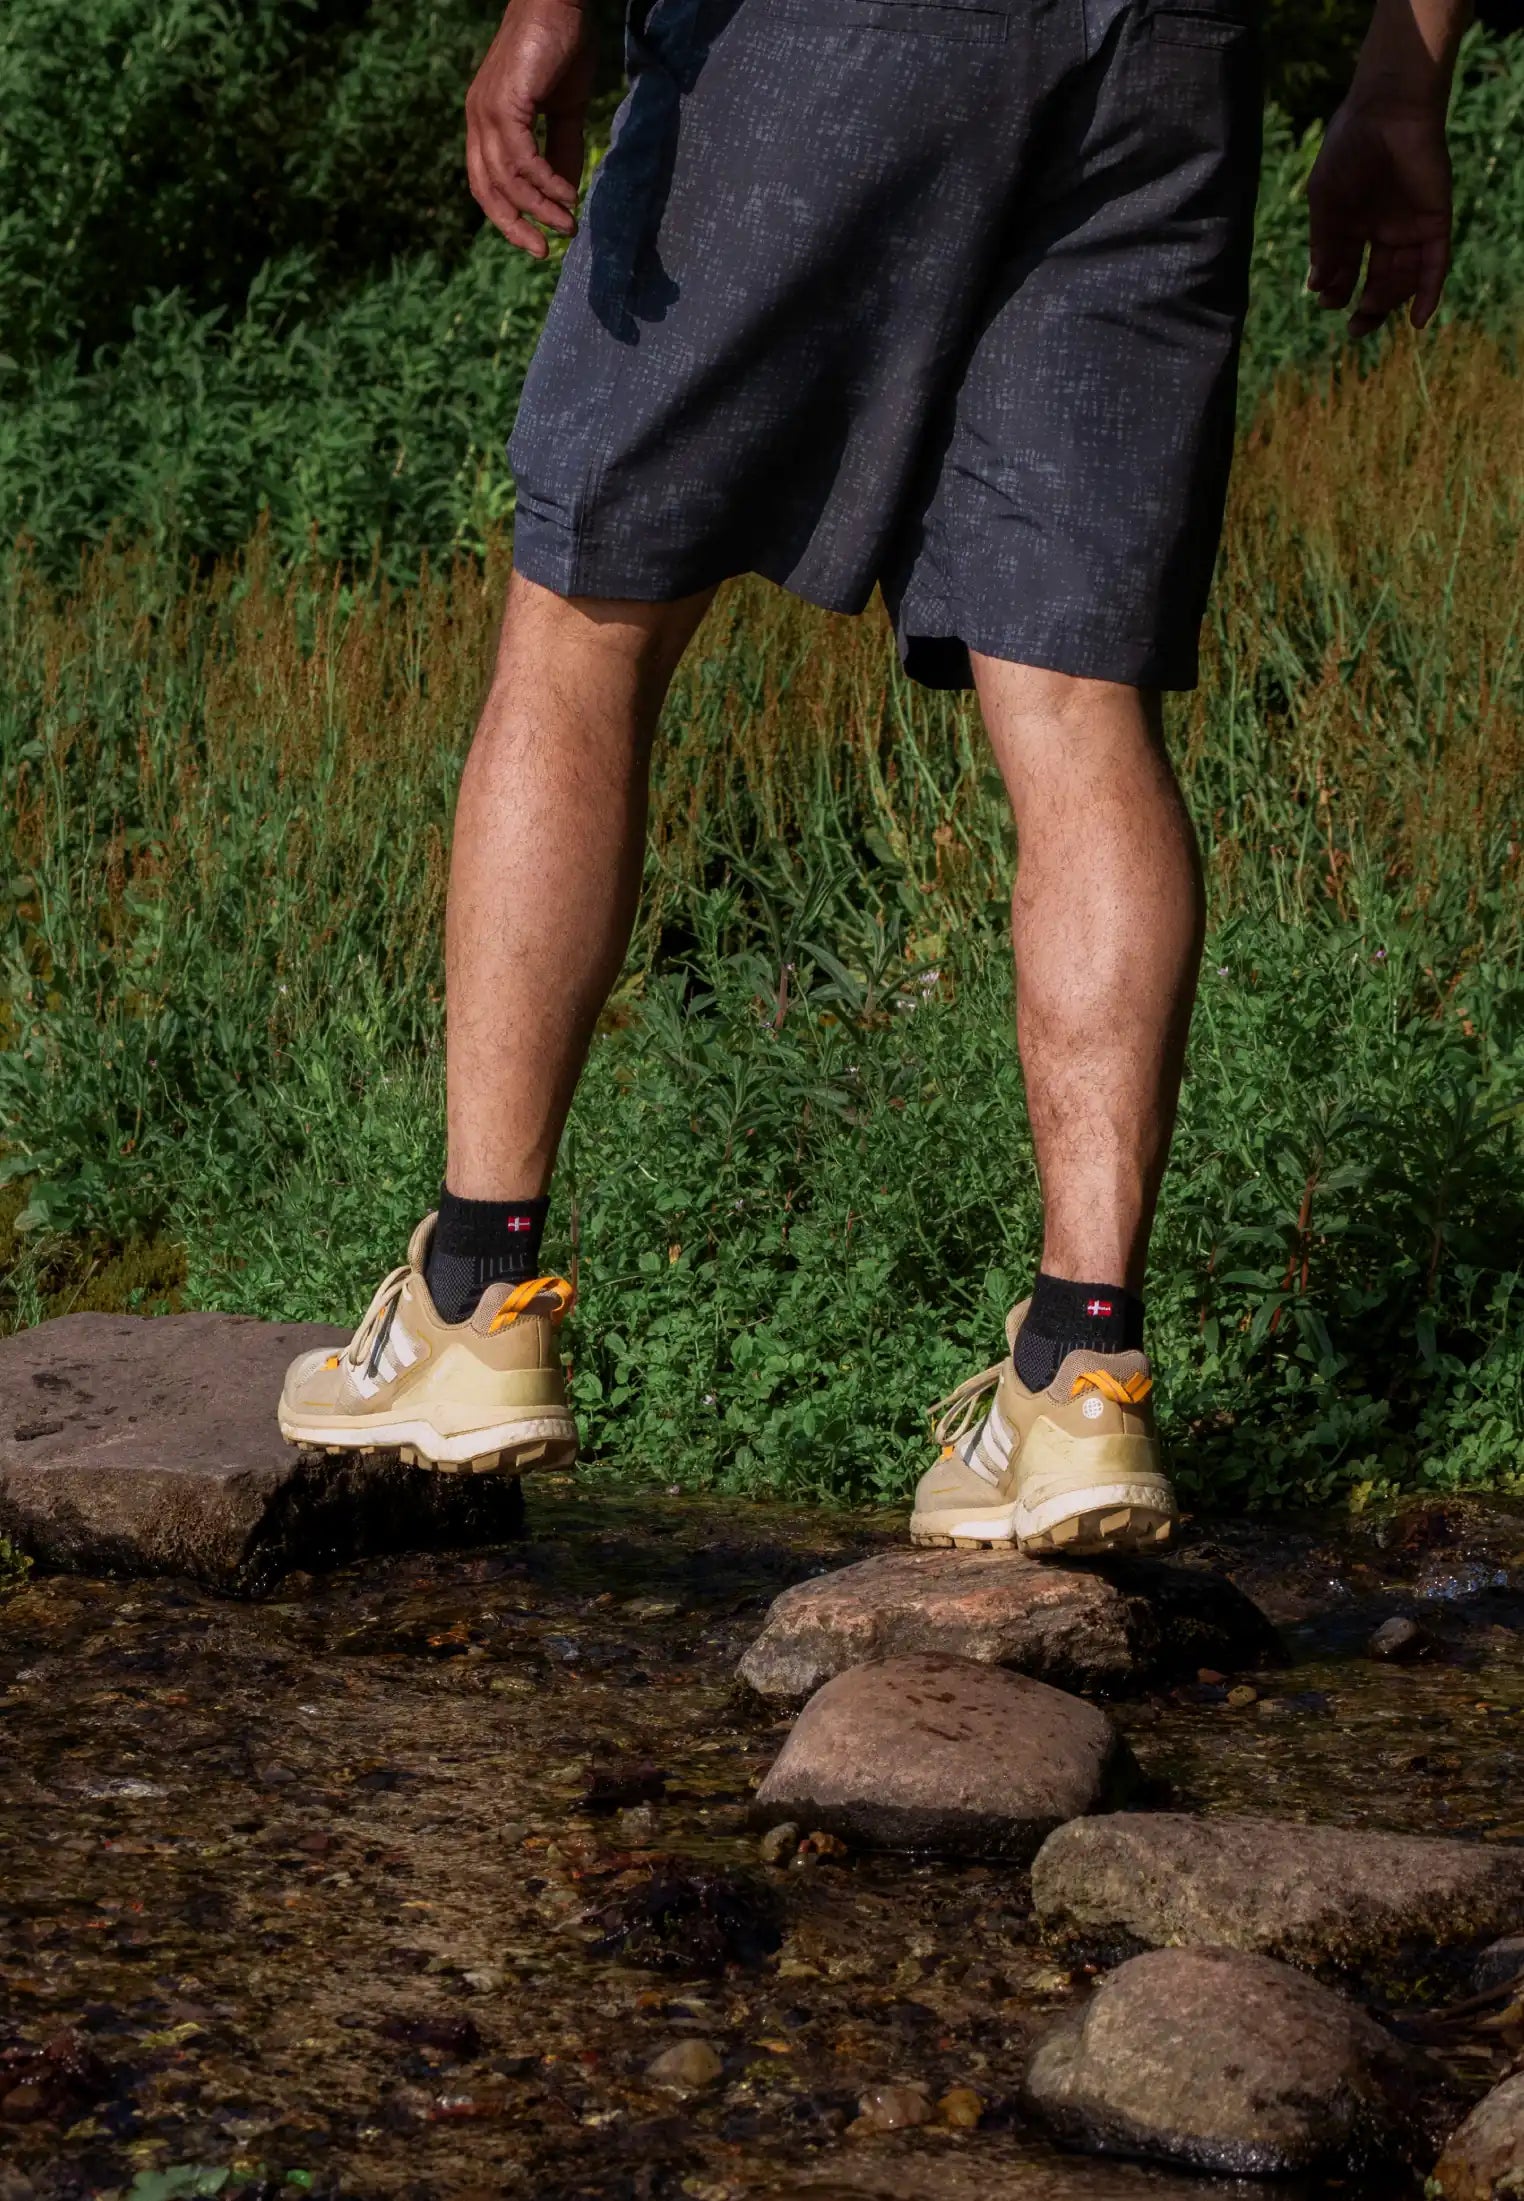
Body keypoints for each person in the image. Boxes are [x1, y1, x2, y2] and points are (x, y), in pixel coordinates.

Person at [279, 0, 1463, 1550]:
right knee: (1079, 700)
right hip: (1172, 47)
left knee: (587, 616)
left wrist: (548, 13)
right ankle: (1080, 1379)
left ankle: (474, 1294)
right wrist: (1400, 75)